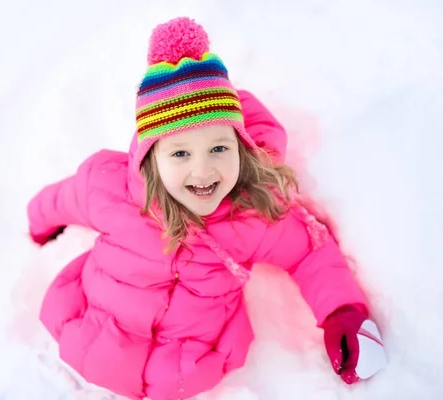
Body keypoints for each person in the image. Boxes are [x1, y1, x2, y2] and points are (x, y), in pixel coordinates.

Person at [27, 16, 373, 400]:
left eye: (219, 149)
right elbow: (62, 199)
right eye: (179, 153)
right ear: (150, 156)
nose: (203, 169)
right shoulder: (110, 189)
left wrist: (341, 311)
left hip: (187, 369)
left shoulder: (253, 214)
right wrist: (38, 221)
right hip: (85, 335)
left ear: (240, 146)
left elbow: (309, 253)